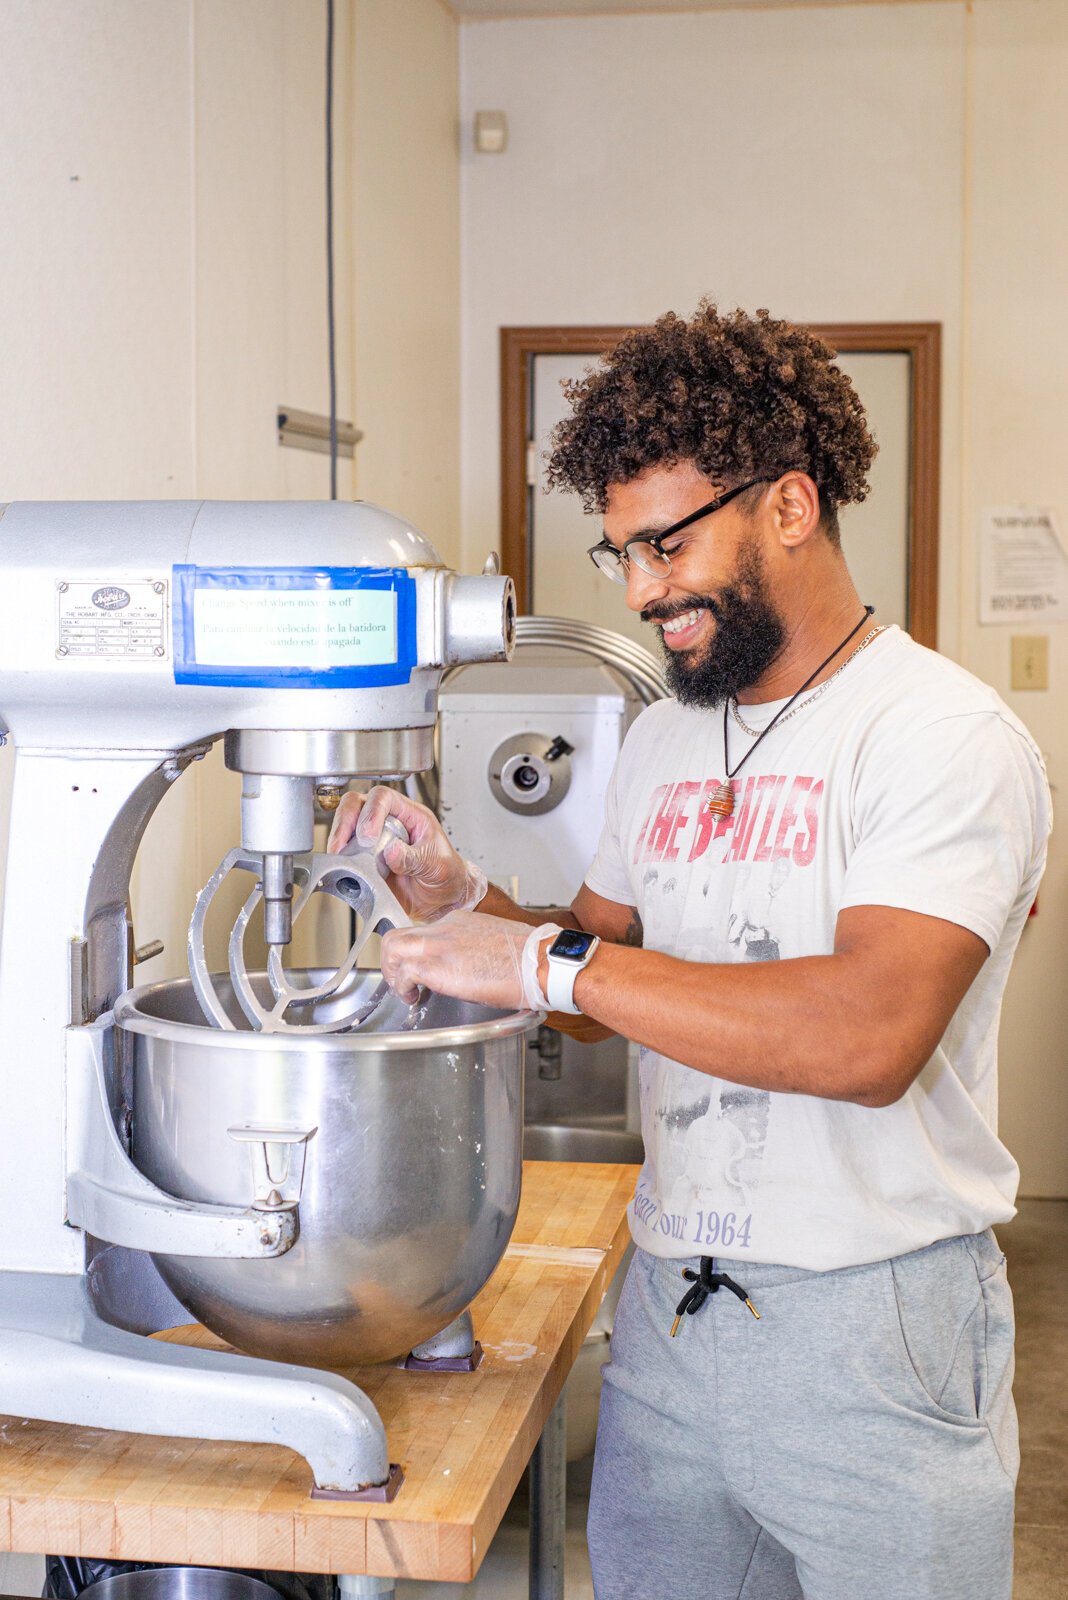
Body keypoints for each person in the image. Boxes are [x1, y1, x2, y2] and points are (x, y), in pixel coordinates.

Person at [329, 303, 1050, 1600]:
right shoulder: (664, 739)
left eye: (666, 542)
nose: (643, 589)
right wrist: (468, 901)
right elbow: (609, 977)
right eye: (619, 556)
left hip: (875, 1320)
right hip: (676, 1302)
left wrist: (540, 972)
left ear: (790, 503)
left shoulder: (939, 735)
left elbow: (866, 1037)